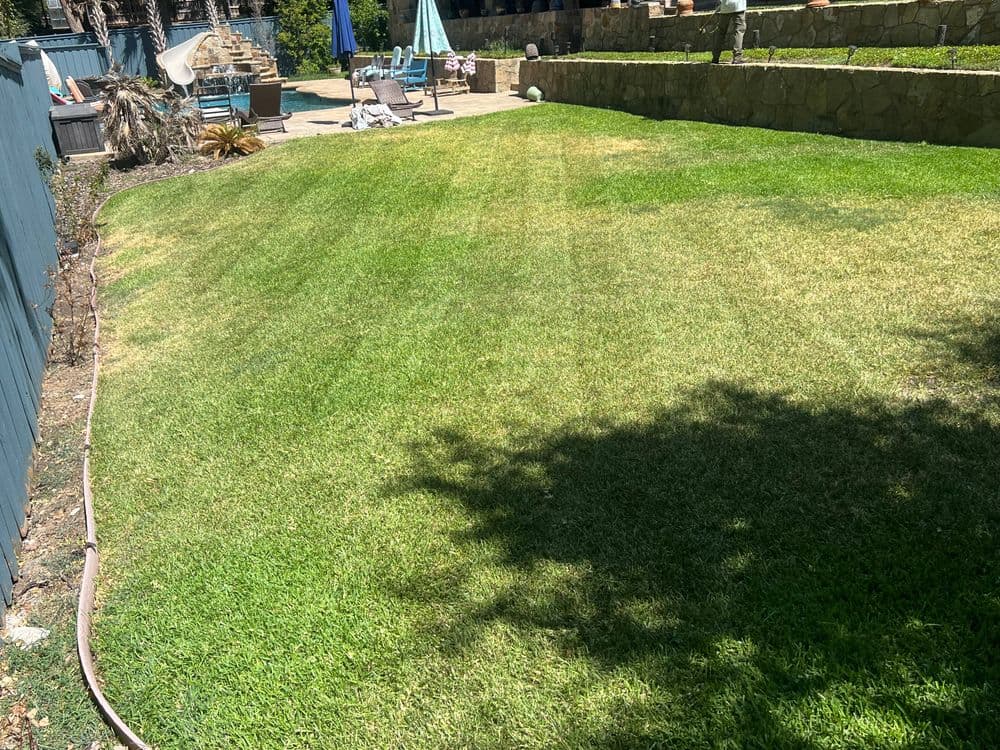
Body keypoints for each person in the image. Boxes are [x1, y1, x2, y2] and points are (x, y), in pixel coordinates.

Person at [711, 0, 747, 65]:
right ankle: (737, 58)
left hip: (725, 7)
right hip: (738, 6)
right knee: (739, 31)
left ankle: (715, 57)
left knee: (721, 32)